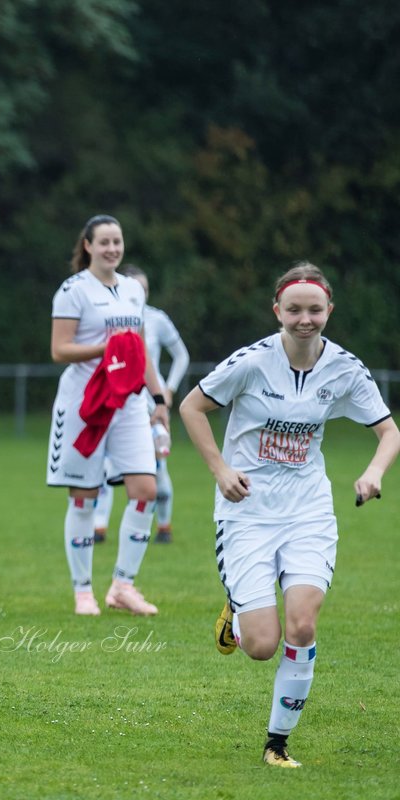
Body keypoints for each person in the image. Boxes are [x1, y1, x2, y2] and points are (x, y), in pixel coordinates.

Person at [178, 262, 398, 769]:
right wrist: (220, 469)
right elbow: (192, 407)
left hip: (308, 510)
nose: (305, 319)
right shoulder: (251, 363)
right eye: (294, 309)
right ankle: (236, 609)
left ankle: (276, 744)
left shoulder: (344, 368)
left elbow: (389, 431)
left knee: (301, 625)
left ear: (329, 312)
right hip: (247, 510)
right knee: (260, 645)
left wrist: (374, 473)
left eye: (314, 309)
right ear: (277, 310)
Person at [46, 215, 170, 616]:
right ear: (87, 246)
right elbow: (60, 350)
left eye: (117, 241)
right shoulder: (73, 290)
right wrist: (107, 347)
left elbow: (141, 350)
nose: (112, 249)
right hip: (87, 403)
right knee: (83, 497)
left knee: (145, 491)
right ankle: (83, 591)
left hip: (131, 402)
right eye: (104, 242)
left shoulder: (133, 289)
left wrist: (159, 399)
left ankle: (123, 586)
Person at [94, 265, 190, 544]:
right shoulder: (107, 316)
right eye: (136, 287)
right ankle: (99, 527)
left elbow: (181, 356)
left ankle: (164, 527)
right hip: (116, 399)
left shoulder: (156, 319)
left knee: (158, 465)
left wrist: (167, 391)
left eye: (145, 288)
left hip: (150, 401)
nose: (141, 293)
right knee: (106, 464)